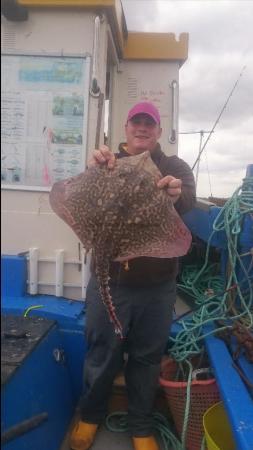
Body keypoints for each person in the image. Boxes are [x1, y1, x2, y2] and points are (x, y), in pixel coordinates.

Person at [70, 101, 196, 450]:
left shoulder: (174, 166)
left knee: (147, 355)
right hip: (110, 277)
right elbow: (80, 192)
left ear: (158, 131)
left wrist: (175, 193)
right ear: (126, 127)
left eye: (150, 124)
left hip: (157, 286)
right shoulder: (107, 161)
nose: (143, 128)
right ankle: (90, 416)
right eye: (136, 122)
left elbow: (186, 198)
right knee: (102, 351)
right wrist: (93, 169)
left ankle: (141, 424)